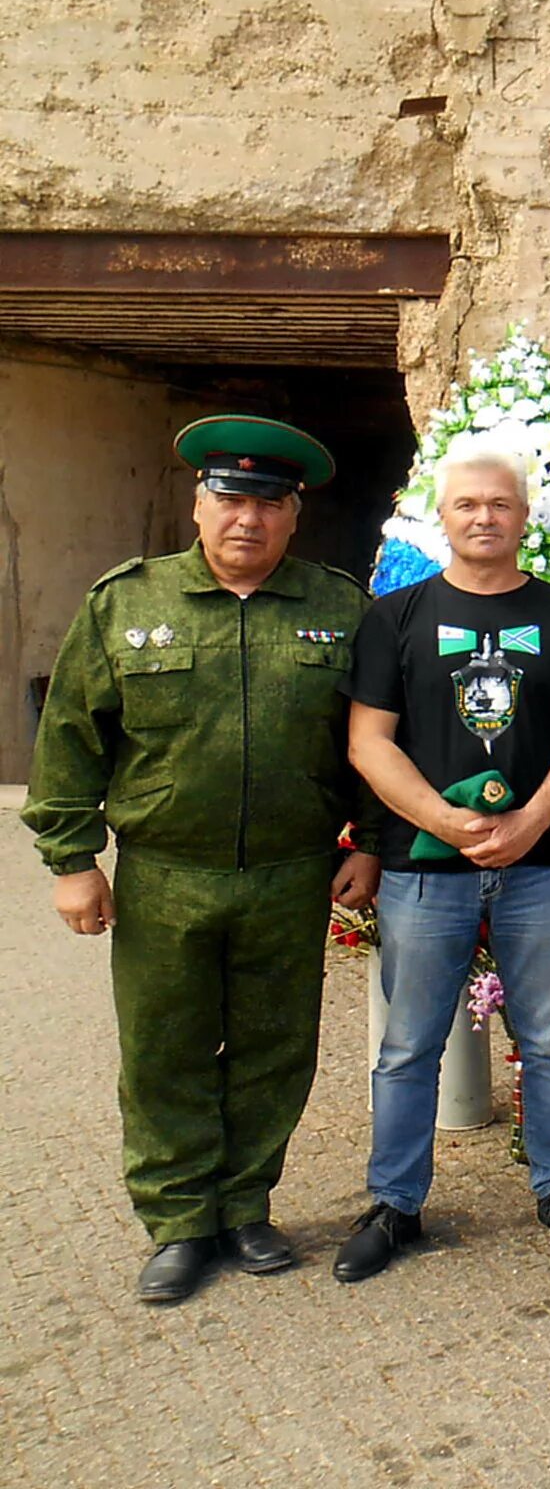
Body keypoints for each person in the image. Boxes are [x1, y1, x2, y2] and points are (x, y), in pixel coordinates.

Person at [23, 416, 377, 1304]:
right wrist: (72, 858)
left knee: (274, 1045)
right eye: (229, 497)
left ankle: (246, 1205)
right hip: (165, 875)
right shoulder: (126, 603)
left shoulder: (340, 610)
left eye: (268, 502)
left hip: (291, 874)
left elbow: (374, 741)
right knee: (163, 1049)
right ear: (197, 503)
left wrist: (371, 844)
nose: (246, 519)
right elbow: (70, 734)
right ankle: (181, 1221)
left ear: (294, 515)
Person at [334, 440, 550, 1282]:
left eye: (500, 504)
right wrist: (446, 822)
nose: (484, 517)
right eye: (468, 505)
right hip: (426, 869)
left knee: (549, 1038)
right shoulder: (396, 618)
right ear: (444, 517)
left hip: (541, 861)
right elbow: (368, 742)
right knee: (407, 1046)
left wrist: (533, 817)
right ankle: (395, 1204)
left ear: (524, 518)